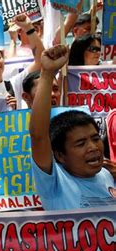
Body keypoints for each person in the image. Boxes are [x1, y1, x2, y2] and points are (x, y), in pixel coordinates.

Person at [30, 45, 116, 210]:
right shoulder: (54, 183)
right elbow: (38, 136)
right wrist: (47, 74)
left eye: (95, 138)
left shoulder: (106, 175)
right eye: (80, 143)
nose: (93, 147)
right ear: (60, 155)